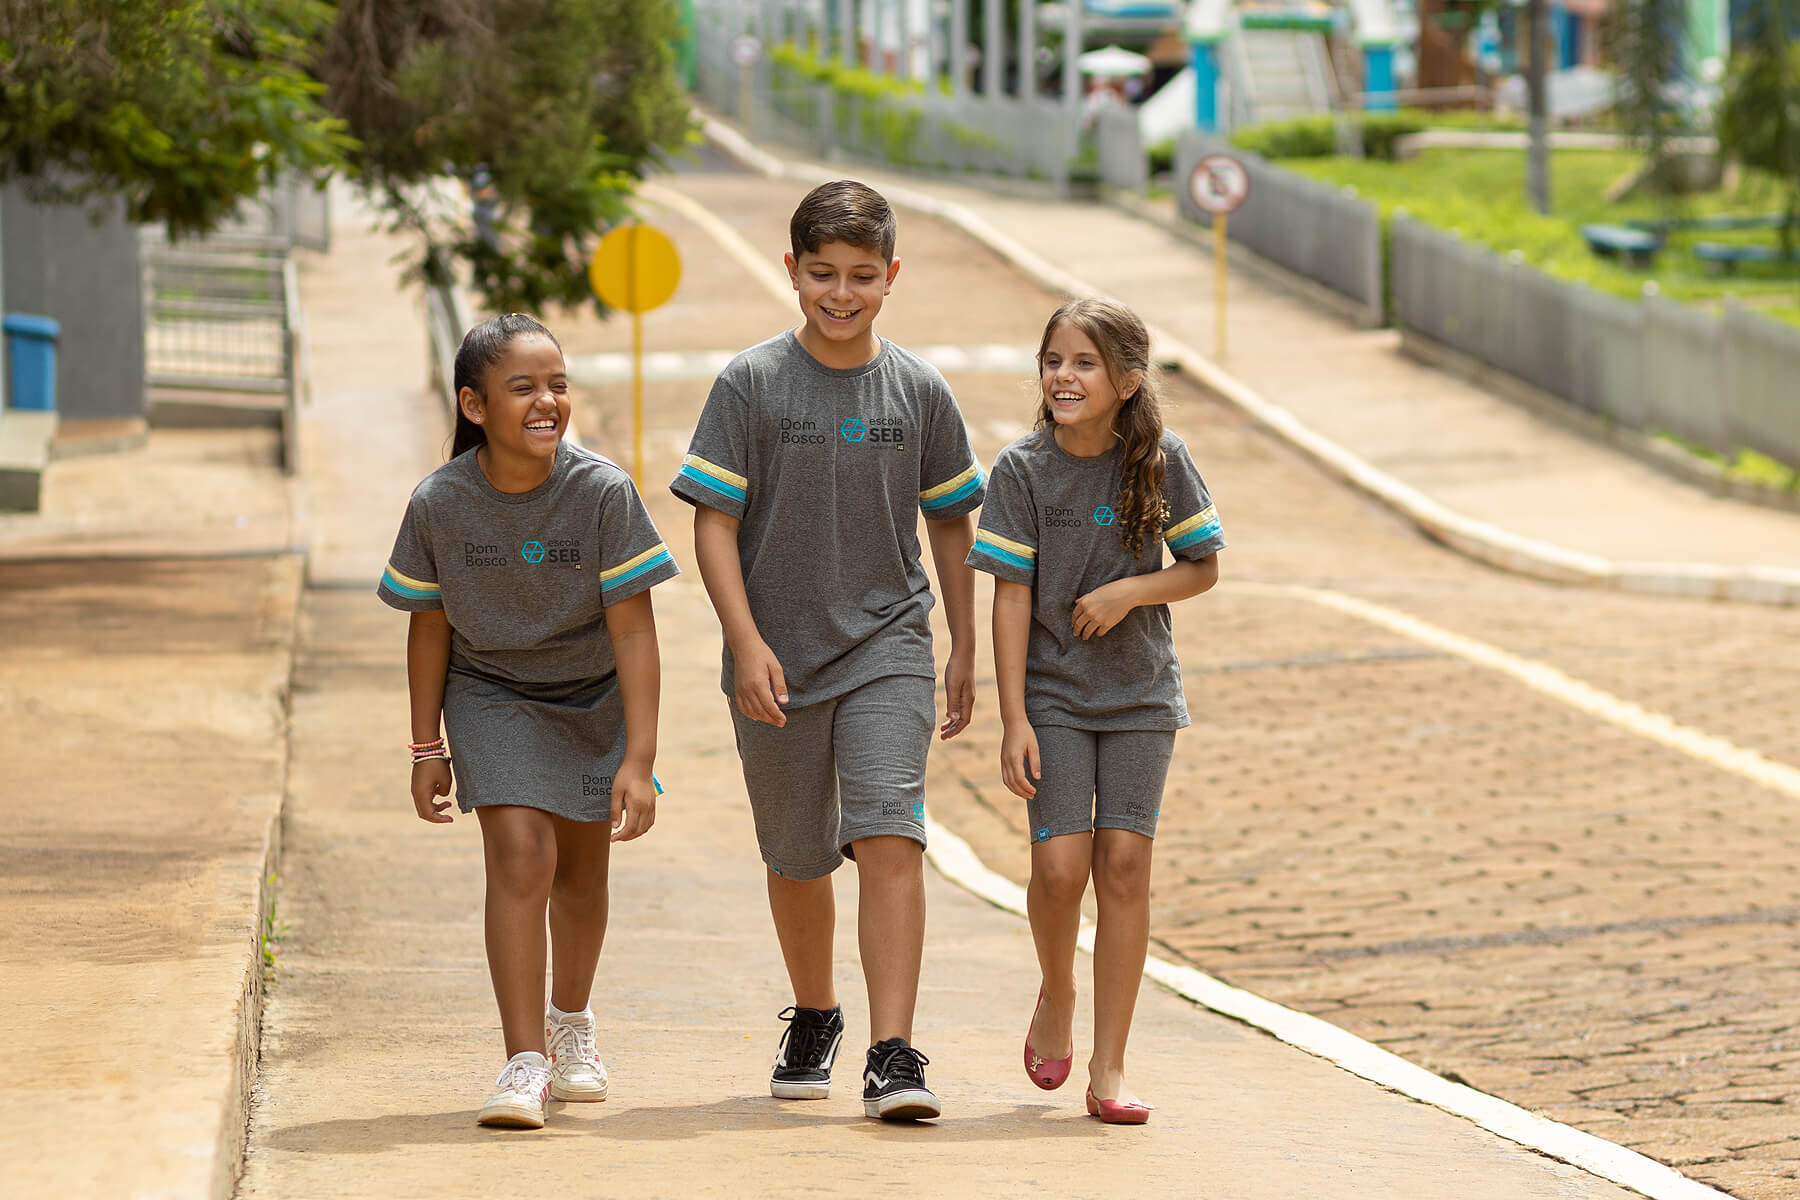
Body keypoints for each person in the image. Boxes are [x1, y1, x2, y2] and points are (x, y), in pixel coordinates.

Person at [669, 180, 984, 1122]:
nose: (839, 294)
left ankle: (894, 1054)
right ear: (792, 272)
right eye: (821, 275)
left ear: (891, 277)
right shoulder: (751, 384)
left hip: (888, 641)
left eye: (859, 276)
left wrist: (965, 647)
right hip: (777, 655)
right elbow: (713, 528)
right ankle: (816, 1013)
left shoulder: (921, 390)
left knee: (891, 830)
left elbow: (952, 524)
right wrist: (746, 640)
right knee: (798, 855)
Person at [378, 313, 678, 1129]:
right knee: (521, 853)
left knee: (582, 876)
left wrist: (639, 758)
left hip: (593, 697)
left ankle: (571, 1023)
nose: (547, 402)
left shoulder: (601, 492)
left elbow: (635, 629)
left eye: (558, 385)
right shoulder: (441, 502)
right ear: (475, 405)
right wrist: (424, 746)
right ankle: (523, 1061)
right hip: (492, 694)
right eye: (524, 388)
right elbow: (429, 623)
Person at [965, 298, 1224, 1125]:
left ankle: (1109, 1068)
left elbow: (1202, 566)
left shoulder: (1160, 460)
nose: (1064, 378)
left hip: (1142, 696)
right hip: (1052, 697)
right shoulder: (1021, 470)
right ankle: (1057, 990)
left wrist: (1127, 592)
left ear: (1127, 380)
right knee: (1057, 870)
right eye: (1054, 362)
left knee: (1123, 867)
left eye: (1083, 364)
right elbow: (1010, 601)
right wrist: (1014, 719)